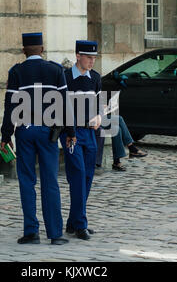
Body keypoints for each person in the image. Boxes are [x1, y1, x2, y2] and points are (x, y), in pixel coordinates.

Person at [0, 32, 76, 246]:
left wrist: (6, 135)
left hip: (24, 131)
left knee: (26, 181)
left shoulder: (17, 72)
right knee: (50, 181)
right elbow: (64, 104)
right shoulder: (55, 70)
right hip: (48, 132)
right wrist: (70, 132)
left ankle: (31, 232)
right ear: (42, 49)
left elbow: (10, 107)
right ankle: (55, 234)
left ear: (24, 51)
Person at [60, 40, 102, 241]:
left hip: (90, 133)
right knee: (77, 175)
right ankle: (80, 225)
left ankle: (72, 221)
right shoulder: (66, 78)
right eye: (88, 57)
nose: (92, 61)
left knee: (87, 178)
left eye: (94, 58)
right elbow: (59, 108)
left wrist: (100, 117)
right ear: (78, 56)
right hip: (71, 133)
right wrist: (69, 132)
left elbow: (100, 105)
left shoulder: (95, 78)